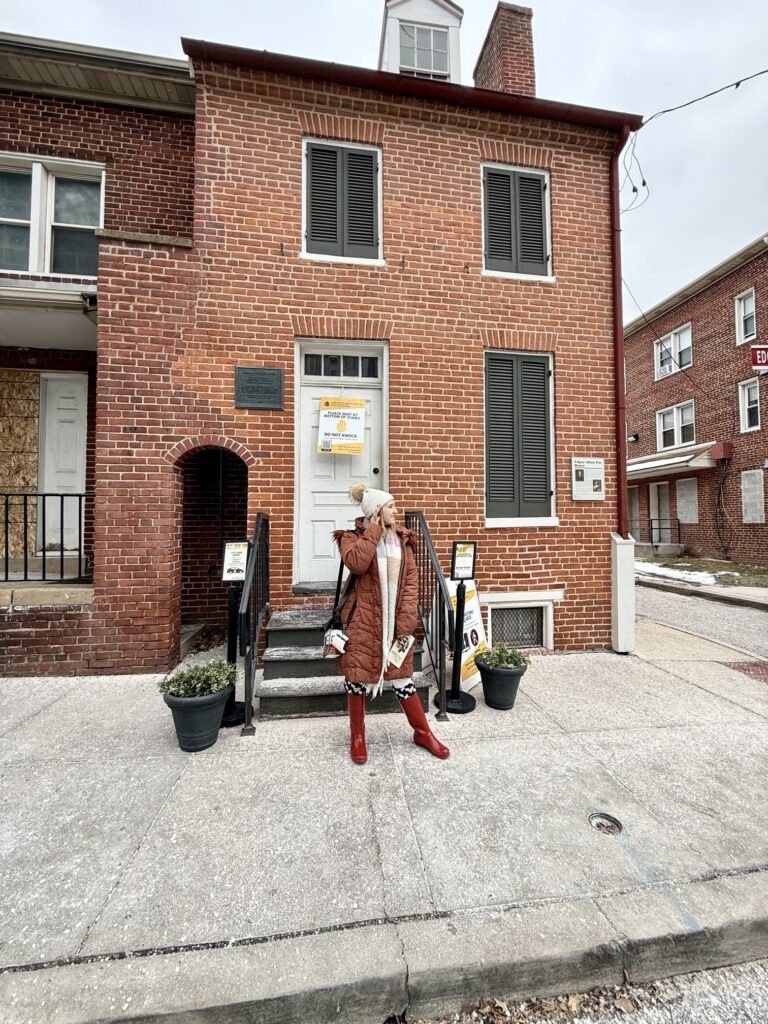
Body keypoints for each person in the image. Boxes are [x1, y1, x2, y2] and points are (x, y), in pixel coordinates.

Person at [333, 483, 450, 765]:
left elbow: (411, 583)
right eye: (391, 507)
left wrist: (407, 620)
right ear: (377, 511)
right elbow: (358, 564)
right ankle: (358, 738)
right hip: (361, 622)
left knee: (403, 680)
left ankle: (423, 733)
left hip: (395, 623)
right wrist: (373, 532)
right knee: (356, 680)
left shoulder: (404, 541)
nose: (396, 512)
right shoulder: (351, 538)